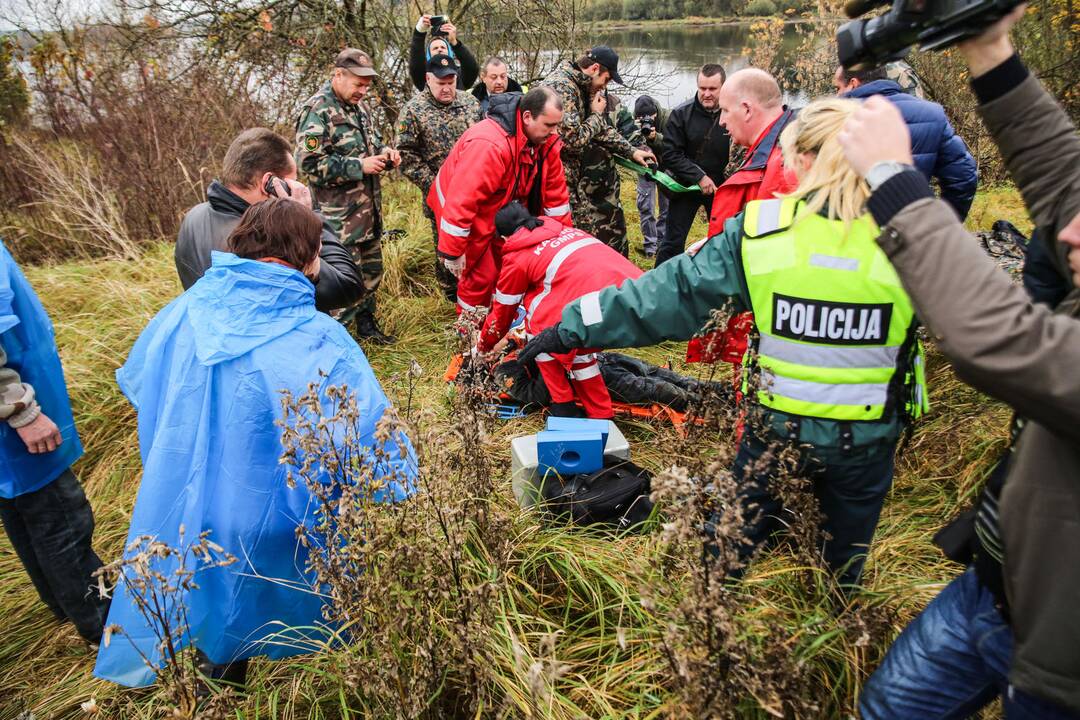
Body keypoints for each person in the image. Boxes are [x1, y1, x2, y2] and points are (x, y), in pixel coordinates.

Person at [519, 98, 930, 588]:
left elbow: (668, 296)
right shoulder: (916, 233)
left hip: (775, 431)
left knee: (727, 548)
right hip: (868, 440)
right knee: (843, 565)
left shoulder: (764, 233)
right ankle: (840, 632)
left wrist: (571, 325)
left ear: (800, 161)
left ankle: (708, 623)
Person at [834, 7, 1080, 717]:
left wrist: (891, 179)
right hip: (996, 584)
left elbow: (996, 339)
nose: (1066, 229)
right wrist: (988, 45)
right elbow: (1064, 182)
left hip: (1061, 663)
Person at [95, 198, 417, 689]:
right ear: (308, 258)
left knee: (216, 607)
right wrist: (403, 491)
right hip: (283, 517)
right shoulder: (320, 335)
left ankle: (218, 686)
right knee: (287, 596)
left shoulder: (181, 312)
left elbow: (145, 386)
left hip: (196, 509)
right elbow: (373, 437)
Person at [0, 239, 109, 648]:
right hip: (15, 415)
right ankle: (105, 626)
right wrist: (21, 410)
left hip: (13, 414)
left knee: (23, 508)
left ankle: (64, 603)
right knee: (61, 516)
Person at [475, 202, 644, 418]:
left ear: (505, 237)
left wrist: (483, 346)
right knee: (580, 353)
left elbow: (502, 314)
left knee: (539, 332)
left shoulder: (518, 257)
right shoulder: (566, 231)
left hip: (594, 302)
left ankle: (563, 407)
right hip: (633, 292)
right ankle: (602, 415)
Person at [175, 128, 365, 313]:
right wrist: (305, 216)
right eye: (292, 182)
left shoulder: (193, 217)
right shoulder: (262, 239)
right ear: (270, 183)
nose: (297, 187)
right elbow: (347, 286)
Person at [687, 67, 799, 369]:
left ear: (747, 109)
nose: (722, 121)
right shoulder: (768, 150)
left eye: (725, 110)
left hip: (768, 318)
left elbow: (772, 257)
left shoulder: (782, 166)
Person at [428, 87, 571, 316]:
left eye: (557, 125)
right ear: (527, 117)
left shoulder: (546, 142)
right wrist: (453, 252)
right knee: (478, 275)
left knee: (506, 267)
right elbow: (462, 200)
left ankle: (495, 325)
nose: (554, 132)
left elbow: (556, 197)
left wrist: (561, 242)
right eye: (548, 125)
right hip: (465, 212)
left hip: (500, 208)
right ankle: (470, 333)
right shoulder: (490, 144)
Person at [295, 48, 401, 344]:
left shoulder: (360, 108)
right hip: (338, 220)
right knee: (342, 281)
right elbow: (309, 163)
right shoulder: (316, 111)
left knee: (371, 273)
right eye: (358, 84)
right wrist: (359, 166)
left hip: (368, 214)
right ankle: (336, 343)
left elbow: (373, 144)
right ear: (338, 74)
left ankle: (367, 329)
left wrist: (385, 154)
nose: (363, 91)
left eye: (367, 85)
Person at [539, 47, 657, 256]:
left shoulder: (581, 87)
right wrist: (595, 114)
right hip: (558, 180)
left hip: (575, 180)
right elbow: (573, 140)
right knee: (572, 245)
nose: (606, 85)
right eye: (607, 79)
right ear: (594, 69)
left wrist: (632, 152)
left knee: (589, 240)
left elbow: (599, 130)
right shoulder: (563, 87)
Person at [834, 64, 977, 219]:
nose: (836, 95)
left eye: (837, 88)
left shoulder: (835, 119)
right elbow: (964, 177)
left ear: (853, 83)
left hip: (848, 232)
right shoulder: (932, 113)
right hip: (910, 228)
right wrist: (940, 224)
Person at [397, 54, 482, 301]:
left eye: (451, 82)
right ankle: (449, 296)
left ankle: (475, 290)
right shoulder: (413, 110)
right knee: (445, 247)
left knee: (475, 243)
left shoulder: (470, 104)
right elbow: (406, 155)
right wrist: (435, 185)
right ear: (427, 79)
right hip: (439, 194)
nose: (446, 88)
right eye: (440, 83)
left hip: (473, 190)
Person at [656, 64, 731, 265]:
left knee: (724, 240)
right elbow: (670, 154)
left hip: (721, 188)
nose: (706, 94)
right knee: (672, 241)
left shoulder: (733, 113)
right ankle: (659, 284)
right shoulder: (681, 114)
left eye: (712, 89)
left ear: (724, 87)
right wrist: (699, 176)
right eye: (702, 88)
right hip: (687, 186)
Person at [634, 95, 669, 258]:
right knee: (646, 205)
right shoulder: (633, 124)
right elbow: (629, 145)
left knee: (666, 207)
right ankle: (650, 247)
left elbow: (673, 145)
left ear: (656, 113)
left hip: (667, 167)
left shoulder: (669, 119)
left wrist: (655, 138)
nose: (647, 120)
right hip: (645, 166)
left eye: (650, 116)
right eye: (641, 117)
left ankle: (663, 243)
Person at [409, 14, 479, 91]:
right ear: (429, 55)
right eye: (435, 48)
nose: (439, 49)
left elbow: (472, 68)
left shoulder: (458, 75)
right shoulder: (425, 76)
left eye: (443, 47)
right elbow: (416, 63)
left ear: (450, 52)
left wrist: (454, 42)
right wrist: (419, 32)